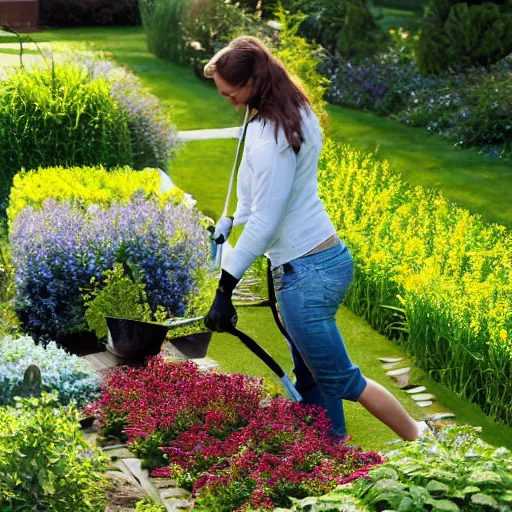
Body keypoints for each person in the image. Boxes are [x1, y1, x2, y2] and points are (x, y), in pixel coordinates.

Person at [203, 36, 428, 441]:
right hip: (314, 261)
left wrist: (226, 286)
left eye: (230, 93)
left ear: (253, 82)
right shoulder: (285, 113)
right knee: (309, 376)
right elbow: (257, 202)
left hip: (307, 273)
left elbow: (268, 221)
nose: (229, 101)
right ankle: (329, 449)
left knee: (341, 379)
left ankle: (420, 436)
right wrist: (231, 221)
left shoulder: (273, 136)